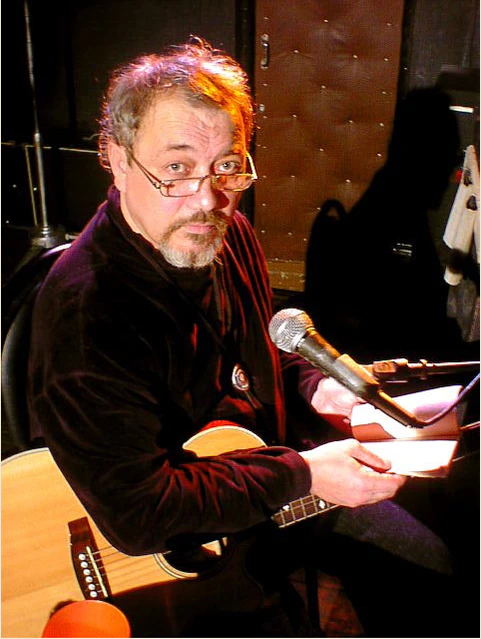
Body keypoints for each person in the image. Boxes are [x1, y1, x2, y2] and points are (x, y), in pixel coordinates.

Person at [27, 37, 461, 637]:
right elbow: (136, 514)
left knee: (432, 572)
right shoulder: (87, 315)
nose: (209, 199)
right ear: (117, 159)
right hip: (180, 542)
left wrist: (316, 388)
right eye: (176, 169)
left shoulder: (227, 235)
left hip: (263, 488)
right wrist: (302, 474)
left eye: (227, 166)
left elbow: (260, 348)